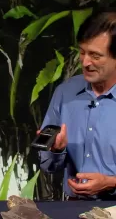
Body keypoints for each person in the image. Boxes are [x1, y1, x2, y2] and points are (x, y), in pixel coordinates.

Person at [39, 11, 116, 201]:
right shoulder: (65, 93)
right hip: (74, 208)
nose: (85, 62)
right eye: (82, 52)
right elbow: (48, 165)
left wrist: (111, 182)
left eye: (95, 56)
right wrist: (56, 150)